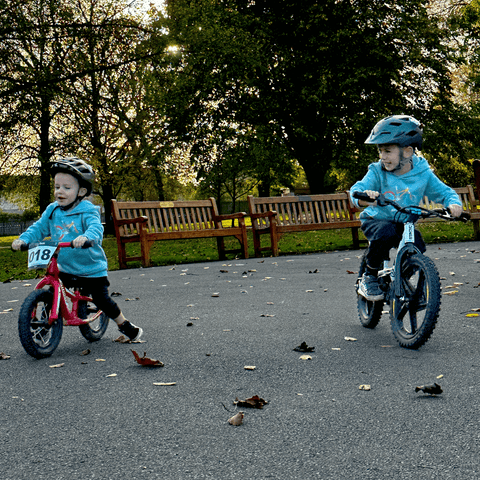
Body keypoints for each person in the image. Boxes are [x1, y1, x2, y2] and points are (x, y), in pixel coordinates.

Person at [12, 157, 143, 341]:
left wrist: (87, 237)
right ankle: (46, 322)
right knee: (51, 287)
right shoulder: (52, 210)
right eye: (57, 187)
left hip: (91, 268)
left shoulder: (87, 210)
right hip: (65, 266)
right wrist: (23, 239)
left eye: (67, 187)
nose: (60, 192)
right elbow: (39, 228)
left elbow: (96, 227)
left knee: (101, 299)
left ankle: (123, 323)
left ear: (81, 191)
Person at [350, 115, 463, 301]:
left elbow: (444, 192)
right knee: (385, 232)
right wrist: (366, 196)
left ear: (408, 152)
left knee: (417, 245)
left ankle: (399, 278)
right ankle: (369, 277)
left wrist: (454, 204)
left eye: (387, 151)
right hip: (377, 219)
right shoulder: (377, 171)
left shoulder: (422, 173)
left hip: (404, 223)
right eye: (380, 151)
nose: (382, 157)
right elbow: (357, 190)